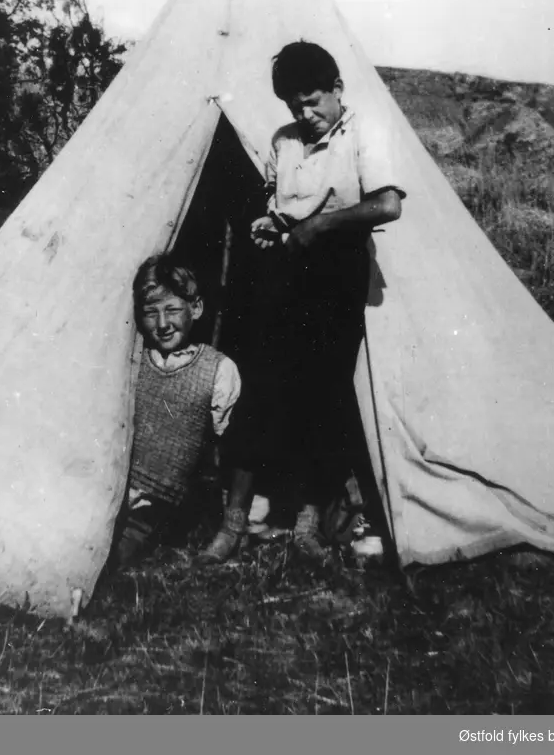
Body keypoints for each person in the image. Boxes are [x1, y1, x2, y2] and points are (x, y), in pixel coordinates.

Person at [200, 41, 404, 564]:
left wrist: (322, 223)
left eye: (314, 100)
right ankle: (234, 521)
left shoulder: (364, 130)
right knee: (262, 386)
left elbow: (387, 203)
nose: (305, 114)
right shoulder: (284, 141)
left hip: (338, 274)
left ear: (337, 88)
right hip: (290, 270)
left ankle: (310, 521)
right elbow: (278, 202)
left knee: (325, 395)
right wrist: (273, 224)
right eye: (295, 105)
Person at [112, 254, 242, 566]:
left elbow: (228, 442)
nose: (162, 324)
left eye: (172, 310)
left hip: (154, 503)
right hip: (112, 488)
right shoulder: (133, 358)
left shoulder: (217, 369)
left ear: (195, 308)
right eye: (150, 313)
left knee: (114, 558)